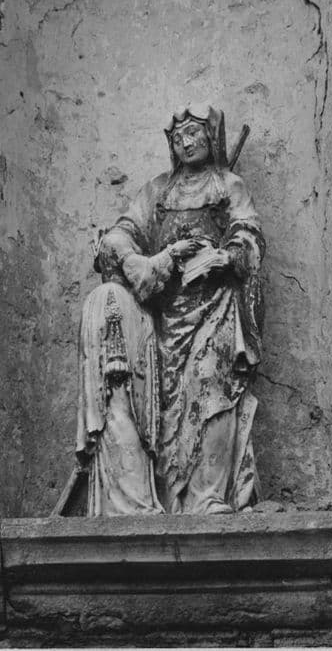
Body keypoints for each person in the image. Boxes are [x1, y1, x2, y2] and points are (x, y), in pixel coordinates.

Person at [76, 103, 265, 515]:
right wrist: (135, 259)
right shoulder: (158, 191)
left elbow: (248, 234)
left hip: (215, 305)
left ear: (211, 137)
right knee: (165, 404)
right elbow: (120, 234)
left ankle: (206, 495)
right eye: (178, 137)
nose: (186, 142)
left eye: (194, 133)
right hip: (164, 313)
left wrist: (225, 256)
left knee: (212, 386)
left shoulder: (228, 185)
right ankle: (161, 494)